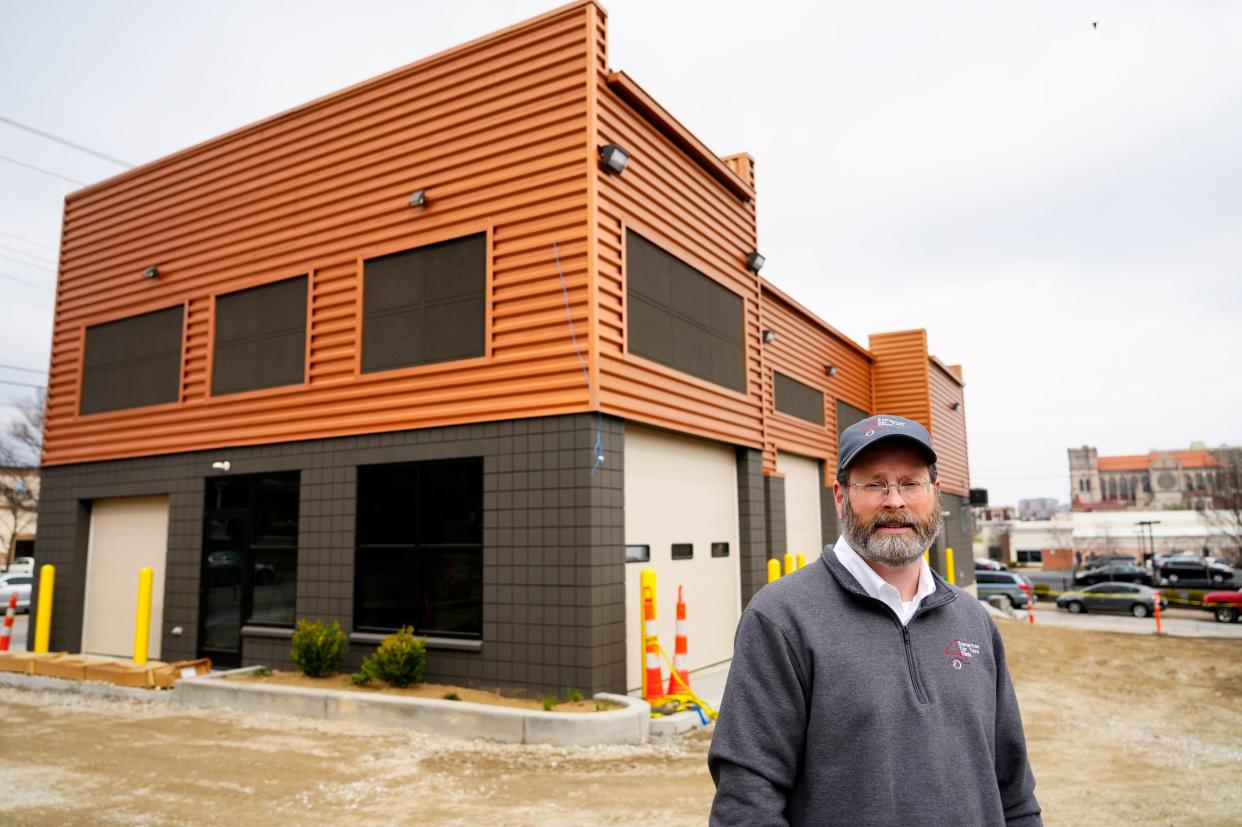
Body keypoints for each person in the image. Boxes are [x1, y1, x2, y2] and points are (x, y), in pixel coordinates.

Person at [708, 414, 1041, 826]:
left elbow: (1015, 792)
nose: (895, 501)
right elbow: (746, 802)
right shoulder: (781, 618)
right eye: (874, 483)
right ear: (840, 495)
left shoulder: (973, 621)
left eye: (910, 483)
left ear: (934, 494)